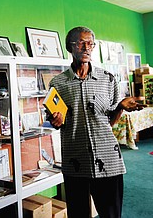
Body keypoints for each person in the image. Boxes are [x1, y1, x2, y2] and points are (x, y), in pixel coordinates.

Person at [48, 26, 145, 218]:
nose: (86, 48)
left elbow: (110, 122)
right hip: (75, 160)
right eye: (81, 43)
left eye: (90, 43)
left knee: (111, 214)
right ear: (70, 47)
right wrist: (55, 121)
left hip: (108, 158)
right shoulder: (57, 83)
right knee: (78, 214)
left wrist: (120, 107)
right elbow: (55, 118)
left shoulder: (107, 79)